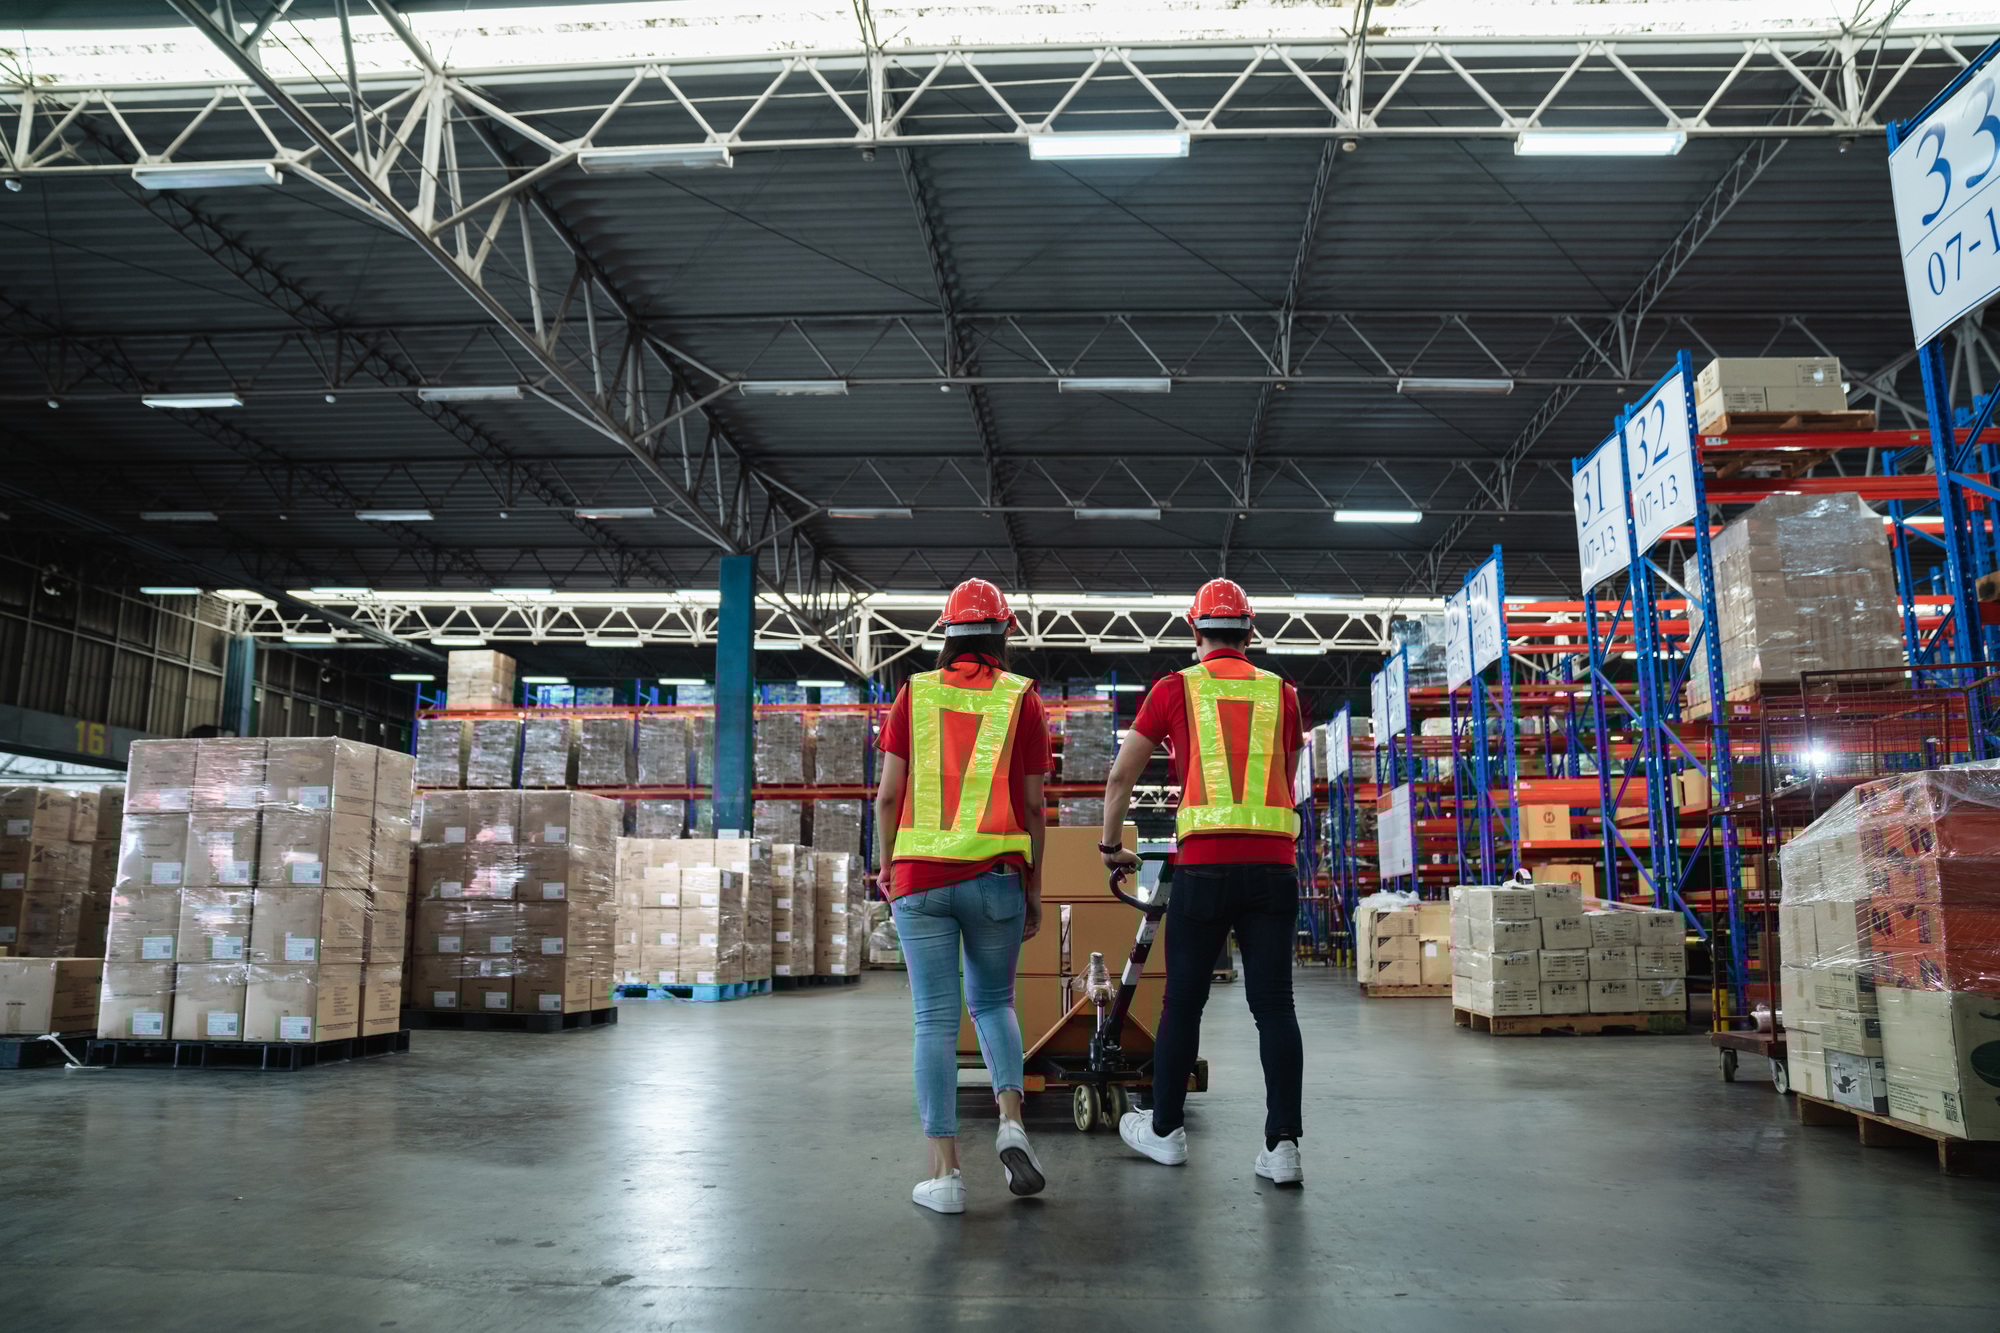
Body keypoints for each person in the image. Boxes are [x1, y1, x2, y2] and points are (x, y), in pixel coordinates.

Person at [1099, 577, 1307, 1186]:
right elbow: (1286, 779)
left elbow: (1119, 781)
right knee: (1275, 1008)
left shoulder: (1173, 690)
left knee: (1183, 1001)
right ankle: (1284, 1146)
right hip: (1274, 868)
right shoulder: (1283, 693)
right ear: (1251, 633)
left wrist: (1112, 848)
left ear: (1195, 632)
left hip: (1202, 868)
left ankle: (1165, 1131)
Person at [873, 578, 1051, 1214]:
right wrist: (1034, 888)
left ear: (946, 635)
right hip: (998, 879)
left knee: (933, 1020)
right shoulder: (1022, 701)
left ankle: (945, 1176)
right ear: (1003, 635)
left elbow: (890, 796)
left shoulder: (913, 695)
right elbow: (1033, 805)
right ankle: (1011, 1123)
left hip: (920, 882)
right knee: (995, 1003)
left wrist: (884, 868)